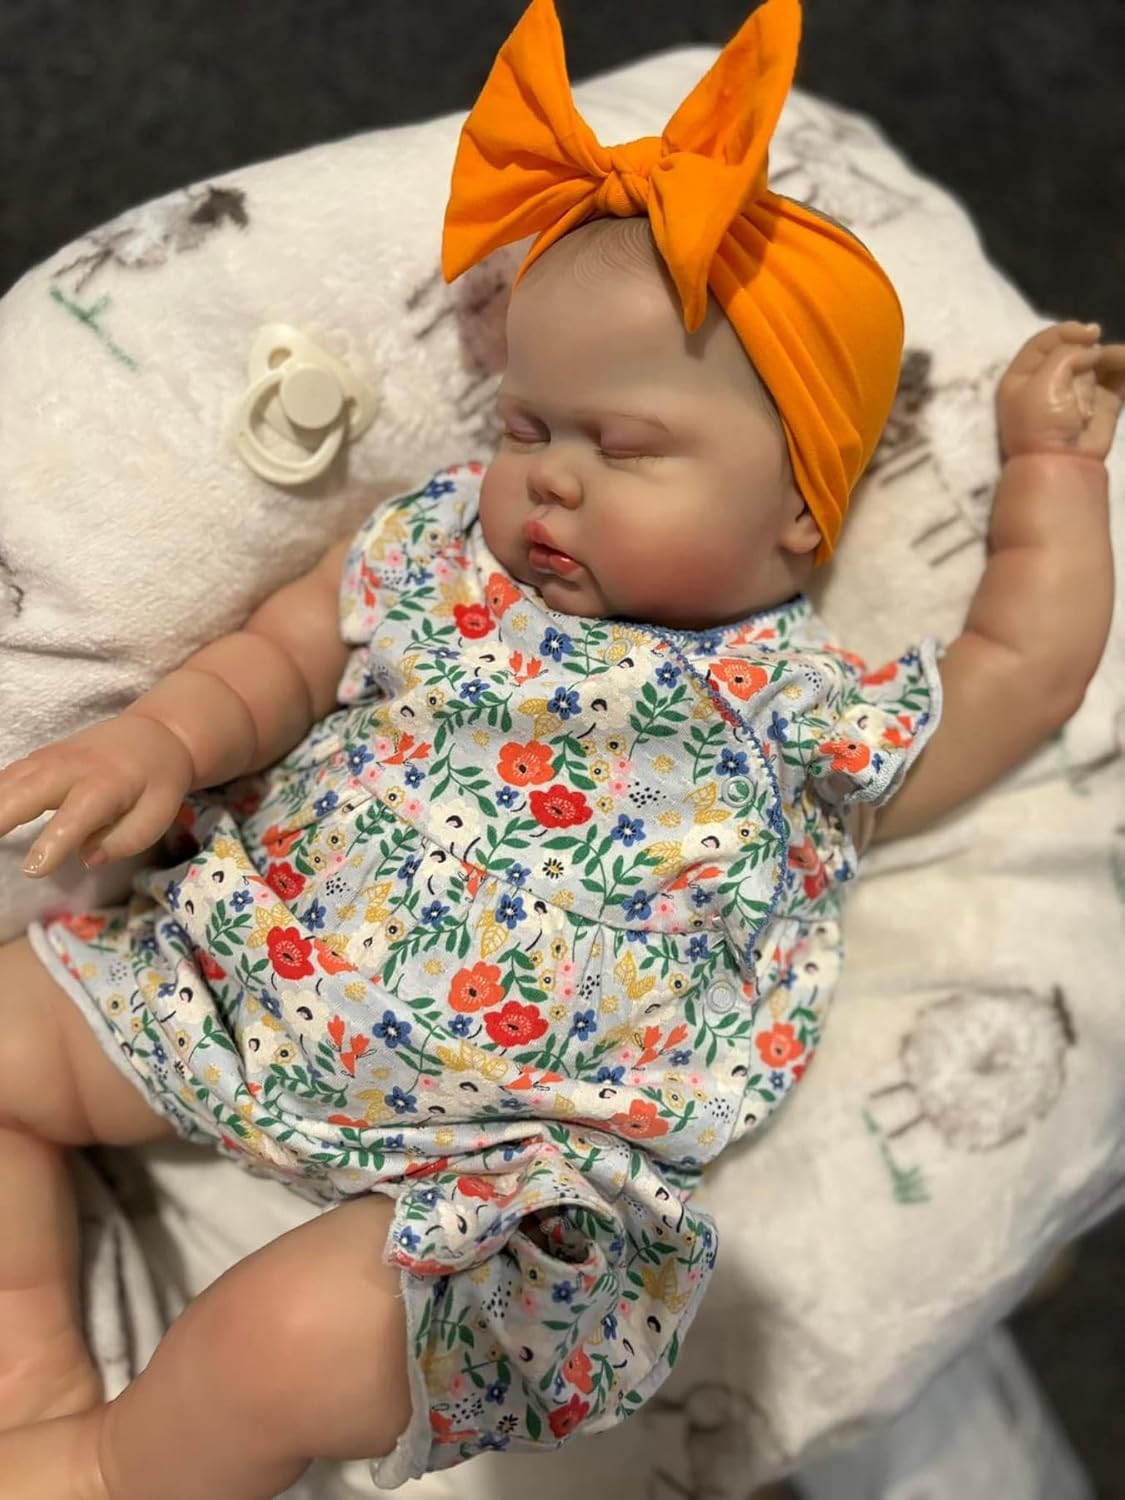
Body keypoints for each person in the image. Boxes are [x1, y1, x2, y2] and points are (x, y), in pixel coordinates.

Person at [0, 0, 1122, 1496]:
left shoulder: (797, 705)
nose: (550, 481)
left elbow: (1020, 673)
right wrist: (161, 732)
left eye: (627, 446)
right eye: (527, 427)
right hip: (231, 982)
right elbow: (285, 651)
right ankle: (31, 1370)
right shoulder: (439, 559)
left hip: (510, 1164)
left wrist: (1050, 469)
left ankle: (112, 1468)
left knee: (302, 1344)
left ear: (801, 507)